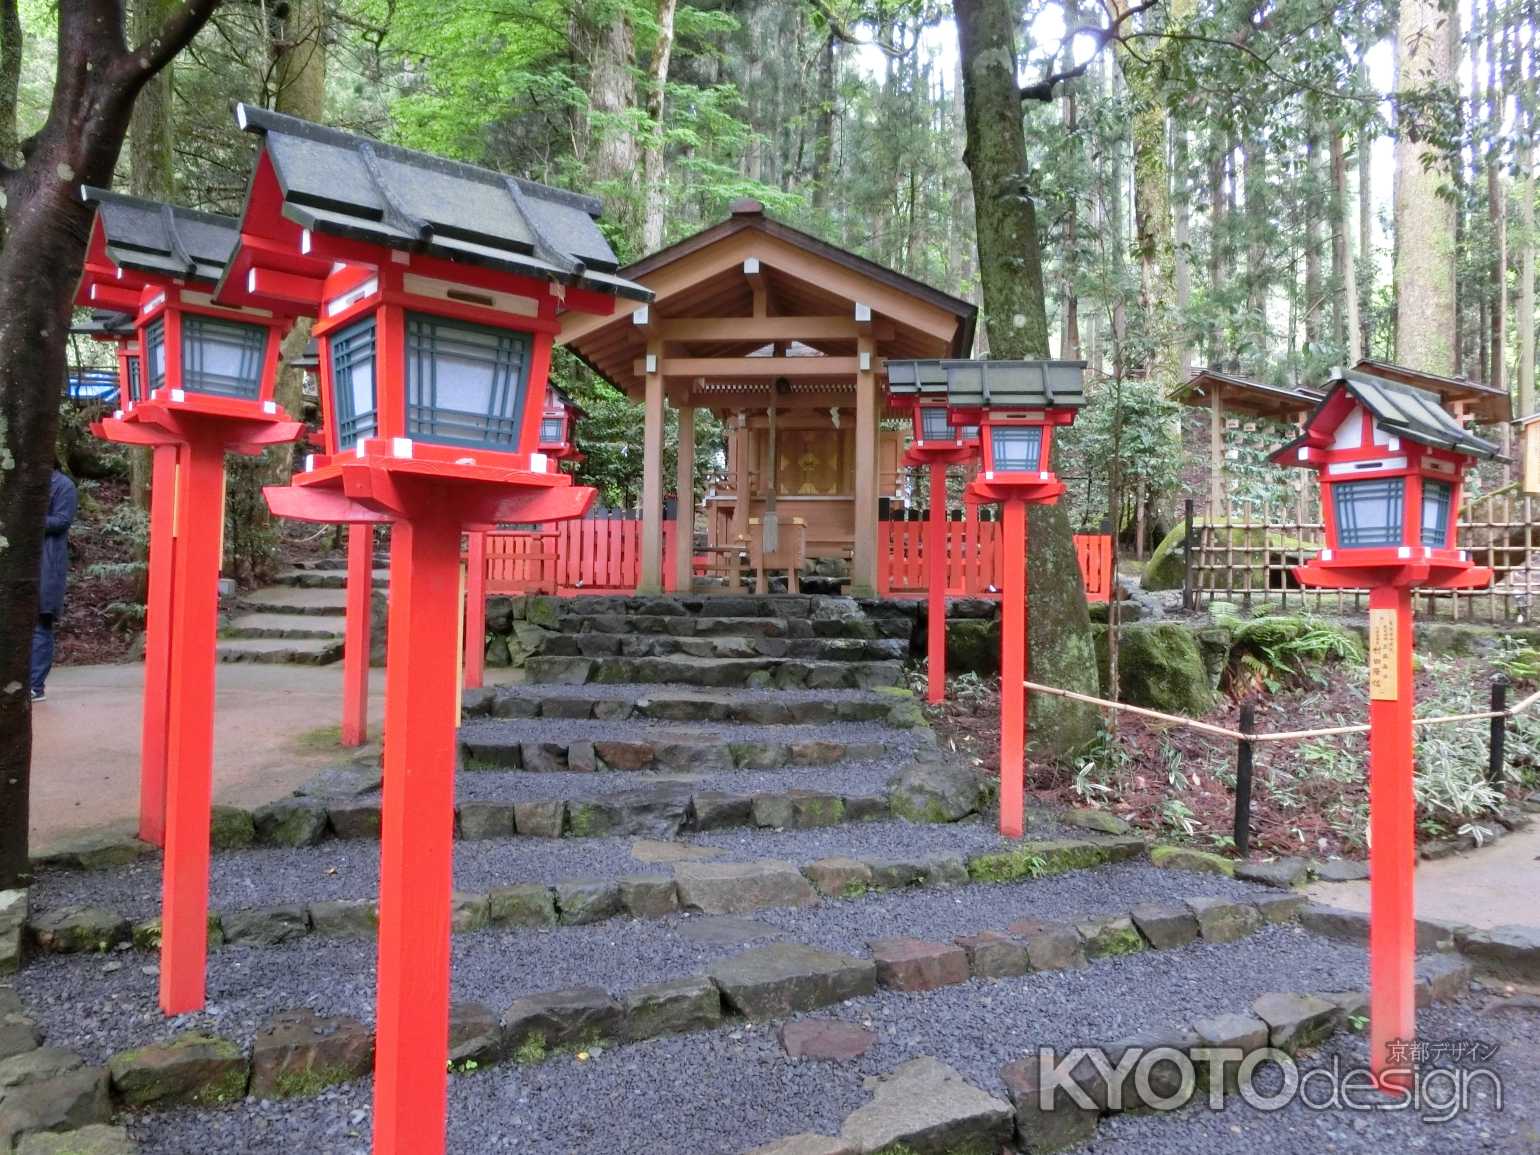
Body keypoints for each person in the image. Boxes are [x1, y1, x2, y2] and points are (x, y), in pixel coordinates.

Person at [31, 466, 78, 702]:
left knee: (41, 622)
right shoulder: (23, 482)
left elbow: (62, 520)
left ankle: (34, 685)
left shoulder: (62, 485)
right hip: (22, 563)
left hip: (48, 563)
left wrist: (27, 519)